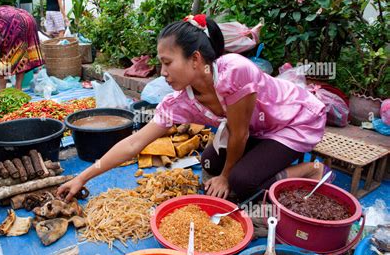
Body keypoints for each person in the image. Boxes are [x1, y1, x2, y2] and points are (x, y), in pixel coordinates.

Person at [56, 14, 327, 203]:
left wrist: (226, 177)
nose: (162, 72)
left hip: (293, 121)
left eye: (167, 62)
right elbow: (133, 143)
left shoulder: (234, 71)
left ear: (195, 59)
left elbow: (240, 134)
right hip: (257, 127)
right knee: (208, 161)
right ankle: (254, 168)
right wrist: (83, 177)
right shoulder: (181, 101)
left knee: (242, 182)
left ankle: (311, 170)